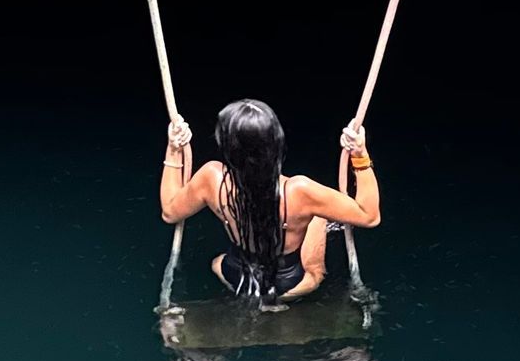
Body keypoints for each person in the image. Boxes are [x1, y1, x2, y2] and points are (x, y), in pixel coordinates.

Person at [158, 98, 379, 303]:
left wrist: (173, 148)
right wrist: (359, 154)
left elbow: (169, 212)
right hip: (288, 287)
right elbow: (369, 217)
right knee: (317, 219)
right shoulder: (300, 191)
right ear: (276, 143)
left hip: (234, 277)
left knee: (217, 262)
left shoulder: (211, 178)